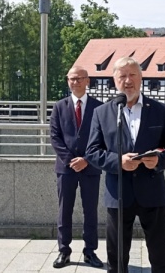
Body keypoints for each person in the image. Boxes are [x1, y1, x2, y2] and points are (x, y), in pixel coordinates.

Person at [86, 57, 165, 273]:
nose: (128, 81)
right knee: (117, 258)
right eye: (122, 76)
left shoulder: (160, 110)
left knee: (159, 256)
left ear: (141, 78)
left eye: (133, 75)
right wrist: (117, 162)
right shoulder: (102, 113)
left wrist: (159, 160)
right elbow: (91, 152)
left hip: (153, 192)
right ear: (114, 80)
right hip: (118, 193)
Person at [50, 66, 103, 269]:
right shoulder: (59, 107)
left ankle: (90, 252)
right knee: (65, 211)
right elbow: (55, 137)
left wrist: (87, 160)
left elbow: (102, 138)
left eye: (79, 78)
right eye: (72, 79)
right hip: (66, 168)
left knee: (90, 211)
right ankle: (64, 251)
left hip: (90, 168)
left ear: (87, 81)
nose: (75, 82)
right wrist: (71, 160)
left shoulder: (99, 107)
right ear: (68, 81)